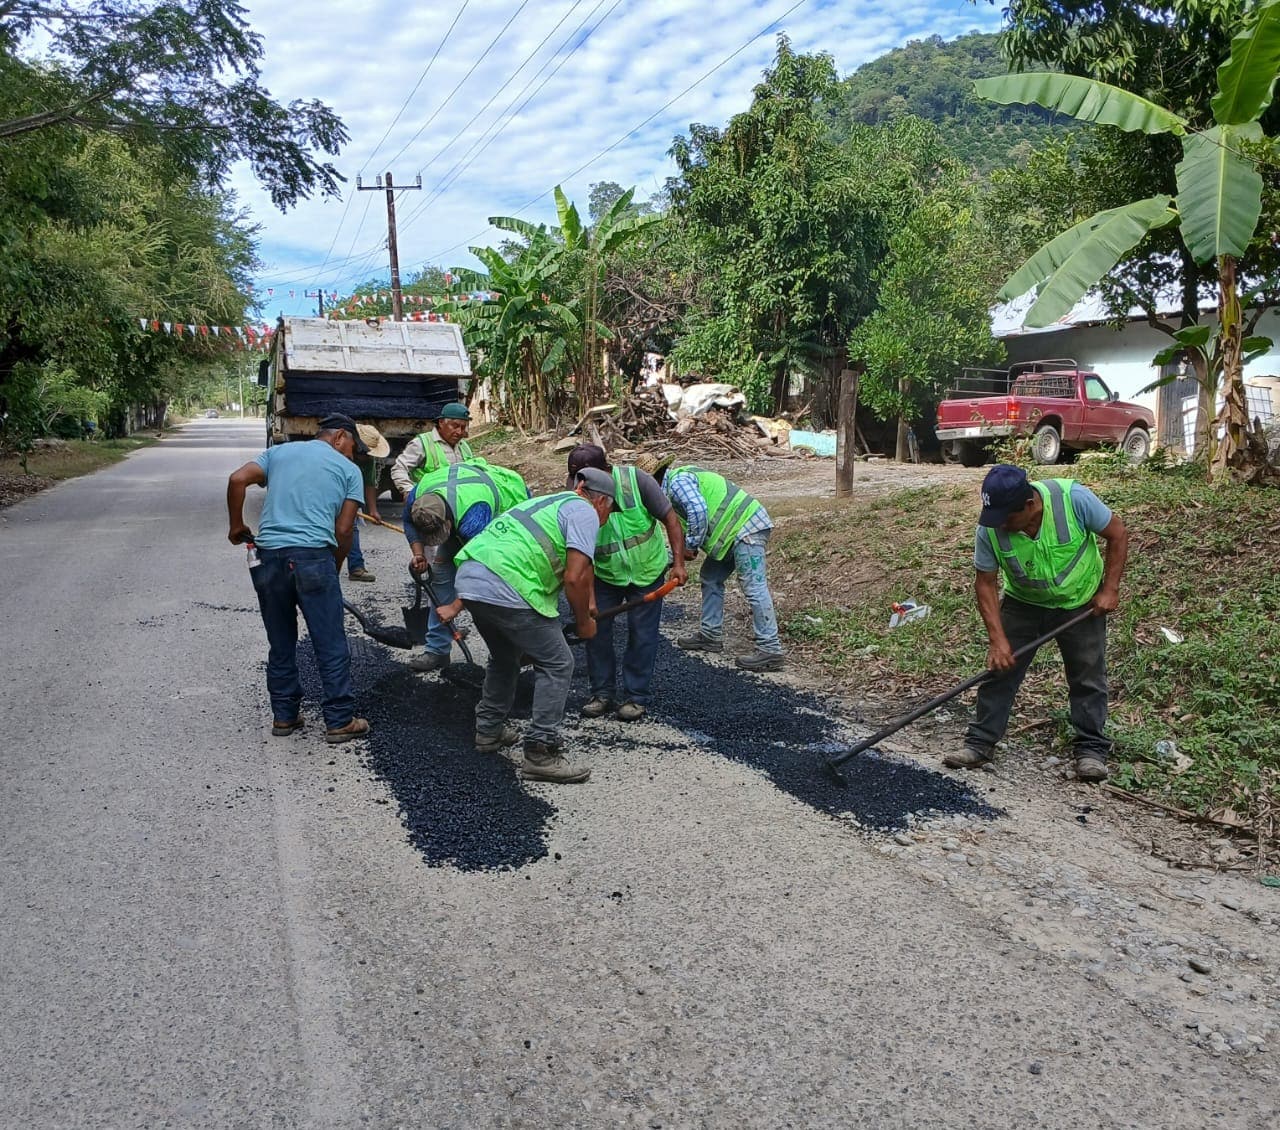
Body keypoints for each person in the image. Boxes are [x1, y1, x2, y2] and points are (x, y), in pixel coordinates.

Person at [943, 464, 1129, 783]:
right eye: (995, 517)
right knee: (999, 671)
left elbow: (1118, 533)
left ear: (1030, 505)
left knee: (1087, 676)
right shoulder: (990, 526)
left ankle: (1091, 750)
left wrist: (1109, 589)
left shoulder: (1073, 499)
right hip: (1023, 602)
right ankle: (980, 743)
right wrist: (997, 639)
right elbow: (985, 582)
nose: (1000, 524)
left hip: (1080, 601)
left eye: (1007, 518)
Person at [435, 468, 618, 783]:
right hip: (509, 587)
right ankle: (540, 752)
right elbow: (573, 576)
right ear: (601, 501)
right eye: (611, 510)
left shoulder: (550, 502)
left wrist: (587, 606)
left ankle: (488, 731)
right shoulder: (585, 512)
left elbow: (578, 571)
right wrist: (585, 623)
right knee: (558, 663)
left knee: (506, 659)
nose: (608, 517)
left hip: (471, 578)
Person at [226, 413, 372, 744]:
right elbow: (344, 529)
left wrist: (236, 526)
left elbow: (237, 479)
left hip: (269, 558)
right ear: (339, 438)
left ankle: (284, 716)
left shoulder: (279, 453)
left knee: (281, 642)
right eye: (352, 447)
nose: (352, 455)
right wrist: (332, 567)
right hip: (312, 558)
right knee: (330, 642)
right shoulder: (350, 471)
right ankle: (339, 720)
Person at [564, 444, 687, 721]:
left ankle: (636, 696)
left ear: (606, 470)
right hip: (605, 575)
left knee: (643, 635)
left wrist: (678, 563)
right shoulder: (575, 493)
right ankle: (602, 693)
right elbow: (578, 553)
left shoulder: (637, 481)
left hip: (646, 571)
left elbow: (671, 519)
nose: (580, 488)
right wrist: (589, 598)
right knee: (595, 632)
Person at [635, 454, 785, 672]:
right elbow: (683, 529)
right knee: (711, 578)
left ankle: (770, 649)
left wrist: (692, 545)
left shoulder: (677, 483)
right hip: (733, 533)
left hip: (746, 528)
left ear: (650, 483)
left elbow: (698, 511)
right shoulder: (670, 492)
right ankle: (710, 635)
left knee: (754, 587)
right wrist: (671, 558)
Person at [400, 459, 531, 671]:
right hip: (458, 512)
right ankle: (437, 650)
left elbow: (482, 572)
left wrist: (456, 607)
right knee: (441, 576)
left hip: (505, 520)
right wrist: (418, 554)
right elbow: (408, 522)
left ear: (448, 521)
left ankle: (508, 653)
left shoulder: (474, 515)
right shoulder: (418, 497)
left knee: (499, 588)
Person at [390, 401, 474, 493]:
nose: (459, 432)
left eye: (463, 427)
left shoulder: (464, 446)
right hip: (429, 502)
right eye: (455, 426)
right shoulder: (422, 443)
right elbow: (399, 468)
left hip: (458, 502)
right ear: (441, 422)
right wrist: (408, 491)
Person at [345, 423, 390, 583]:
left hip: (349, 498)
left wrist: (373, 510)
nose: (368, 456)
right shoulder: (337, 456)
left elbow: (369, 484)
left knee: (351, 526)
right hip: (329, 496)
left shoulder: (367, 460)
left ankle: (356, 567)